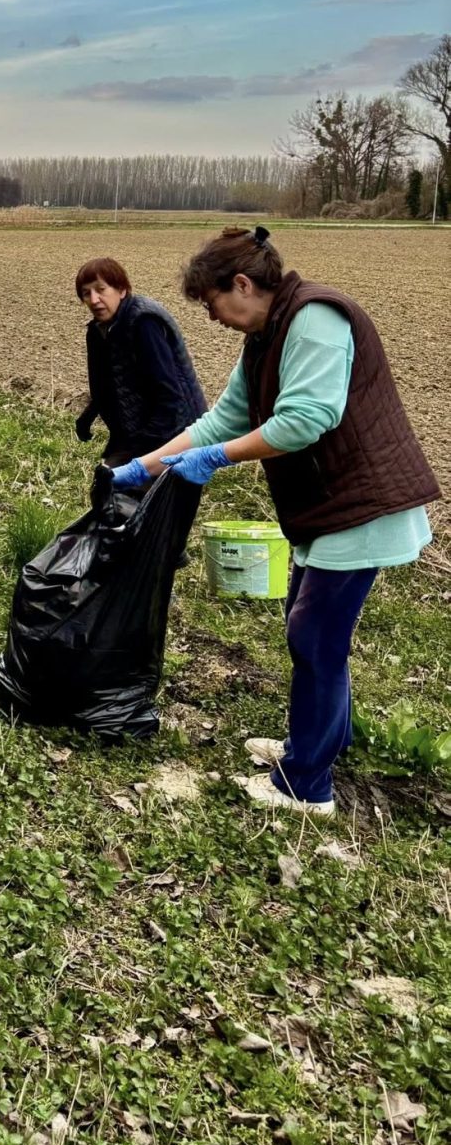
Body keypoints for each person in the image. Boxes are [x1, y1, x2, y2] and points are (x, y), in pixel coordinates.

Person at [111, 226, 439, 816]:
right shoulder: (267, 335)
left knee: (315, 638)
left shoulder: (315, 318)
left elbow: (304, 421)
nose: (212, 318)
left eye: (213, 305)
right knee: (309, 631)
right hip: (327, 507)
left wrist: (218, 459)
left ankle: (307, 786)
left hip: (361, 508)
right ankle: (308, 747)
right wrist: (142, 466)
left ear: (242, 283)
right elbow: (222, 420)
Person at [73, 256, 205, 466]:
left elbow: (170, 397)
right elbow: (105, 386)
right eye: (86, 293)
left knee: (153, 495)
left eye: (101, 290)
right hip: (136, 431)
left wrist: (141, 451)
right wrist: (87, 417)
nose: (94, 299)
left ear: (122, 290)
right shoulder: (99, 331)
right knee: (108, 489)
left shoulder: (143, 323)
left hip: (177, 434)